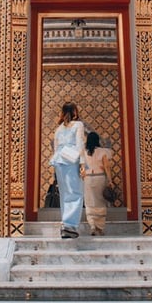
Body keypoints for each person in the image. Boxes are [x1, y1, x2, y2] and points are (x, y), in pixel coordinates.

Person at [49, 101, 86, 238]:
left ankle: (66, 224)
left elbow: (56, 147)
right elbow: (80, 144)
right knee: (76, 193)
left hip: (59, 161)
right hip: (71, 160)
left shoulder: (59, 128)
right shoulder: (78, 125)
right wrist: (82, 164)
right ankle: (70, 225)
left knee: (65, 194)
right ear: (75, 111)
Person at [83, 131, 113, 236]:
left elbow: (81, 168)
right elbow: (107, 167)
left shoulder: (84, 152)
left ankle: (92, 225)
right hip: (99, 177)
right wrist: (110, 180)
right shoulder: (102, 152)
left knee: (89, 203)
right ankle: (100, 227)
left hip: (87, 179)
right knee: (100, 202)